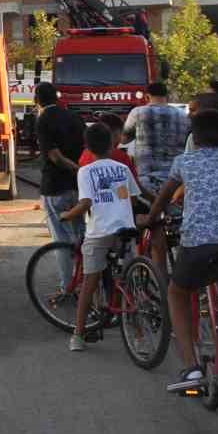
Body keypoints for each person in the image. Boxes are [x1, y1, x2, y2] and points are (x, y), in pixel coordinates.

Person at [143, 109, 218, 393]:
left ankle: (191, 369)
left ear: (194, 138)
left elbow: (163, 198)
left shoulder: (184, 162)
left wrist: (151, 218)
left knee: (177, 292)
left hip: (200, 242)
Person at [61, 123, 138, 352]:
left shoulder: (85, 171)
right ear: (112, 144)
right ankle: (138, 332)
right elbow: (131, 199)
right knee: (128, 278)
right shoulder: (122, 168)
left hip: (100, 231)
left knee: (89, 283)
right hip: (126, 228)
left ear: (88, 147)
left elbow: (85, 203)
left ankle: (78, 335)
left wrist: (67, 215)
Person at [34, 82, 86, 289]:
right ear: (57, 98)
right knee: (80, 237)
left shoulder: (43, 120)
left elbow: (54, 156)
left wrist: (73, 168)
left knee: (61, 240)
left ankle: (68, 286)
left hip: (55, 187)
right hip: (78, 188)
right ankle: (85, 283)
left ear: (37, 100)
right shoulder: (74, 116)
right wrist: (80, 171)